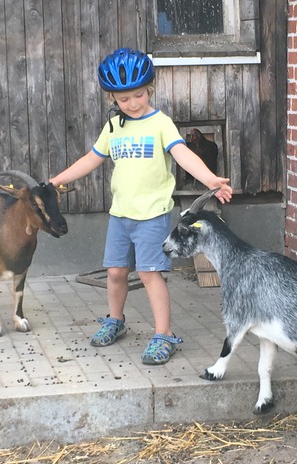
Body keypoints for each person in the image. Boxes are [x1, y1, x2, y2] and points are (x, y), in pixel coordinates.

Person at [50, 48, 232, 365]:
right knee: (116, 272)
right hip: (120, 215)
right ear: (112, 100)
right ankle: (115, 320)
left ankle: (164, 334)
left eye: (138, 95)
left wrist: (210, 179)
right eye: (124, 99)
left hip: (152, 215)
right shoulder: (113, 128)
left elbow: (183, 155)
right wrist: (55, 181)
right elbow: (90, 159)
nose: (133, 103)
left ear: (149, 90)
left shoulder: (160, 123)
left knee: (149, 274)